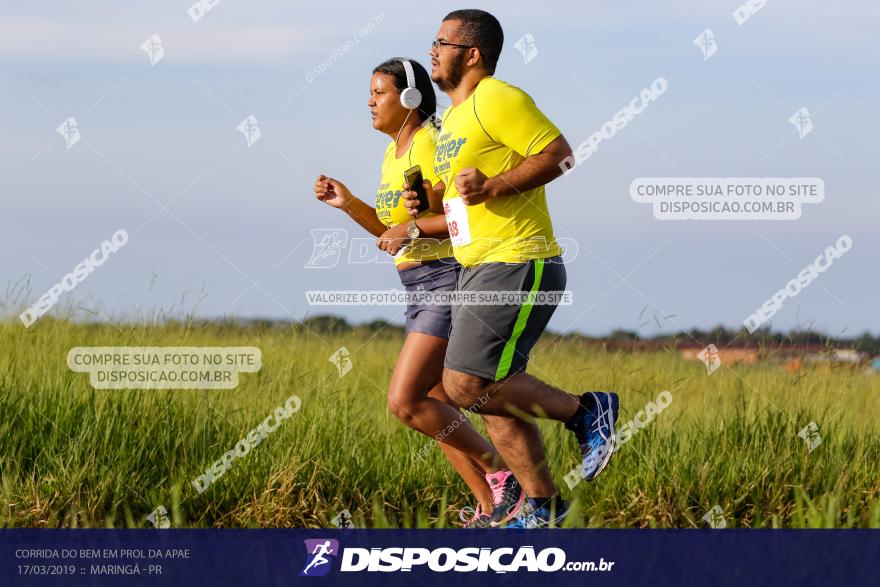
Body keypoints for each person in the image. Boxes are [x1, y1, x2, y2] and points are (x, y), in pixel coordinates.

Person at [404, 9, 621, 528]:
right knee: (485, 389)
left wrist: (495, 186)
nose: (432, 50)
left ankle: (587, 412)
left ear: (472, 54)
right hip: (476, 265)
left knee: (464, 384)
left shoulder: (498, 98)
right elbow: (456, 205)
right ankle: (542, 506)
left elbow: (561, 155)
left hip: (519, 260)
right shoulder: (449, 123)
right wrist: (424, 209)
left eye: (442, 41)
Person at [313, 57, 523, 528]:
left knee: (406, 401)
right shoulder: (393, 154)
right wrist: (347, 203)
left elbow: (450, 221)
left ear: (408, 99)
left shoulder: (429, 143)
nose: (369, 101)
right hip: (415, 283)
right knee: (433, 403)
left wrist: (417, 220)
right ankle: (490, 510)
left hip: (444, 279)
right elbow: (393, 233)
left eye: (379, 92)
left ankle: (501, 470)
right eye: (369, 93)